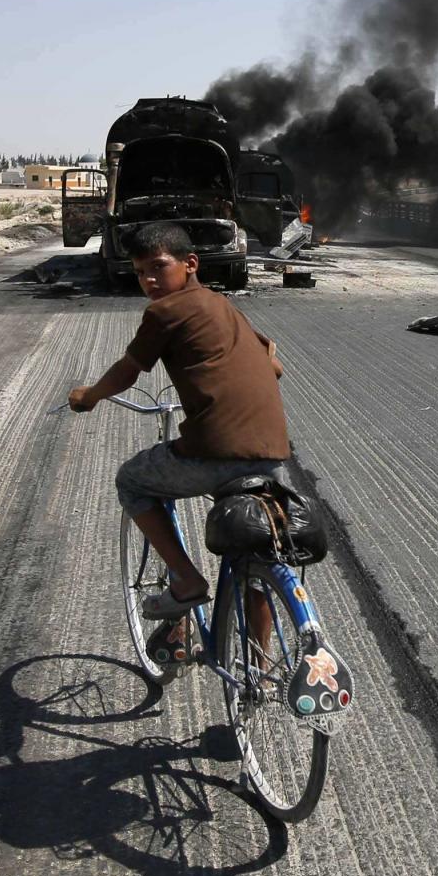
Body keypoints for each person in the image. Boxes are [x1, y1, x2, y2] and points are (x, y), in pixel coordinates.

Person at [70, 221, 292, 624]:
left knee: (131, 481)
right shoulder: (223, 305)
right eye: (139, 272)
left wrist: (90, 396)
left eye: (158, 267)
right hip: (272, 451)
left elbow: (128, 370)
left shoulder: (165, 311)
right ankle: (259, 676)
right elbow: (274, 368)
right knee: (255, 562)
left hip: (216, 452)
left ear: (190, 263)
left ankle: (188, 581)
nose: (149, 280)